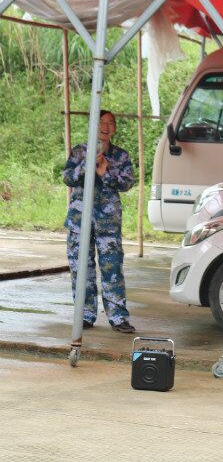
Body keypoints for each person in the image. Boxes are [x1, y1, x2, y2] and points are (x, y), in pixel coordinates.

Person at [62, 110, 136, 333]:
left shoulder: (121, 155)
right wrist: (87, 165)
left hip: (108, 223)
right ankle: (84, 315)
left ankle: (118, 317)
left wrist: (106, 173)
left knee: (112, 269)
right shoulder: (79, 151)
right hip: (80, 222)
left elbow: (127, 183)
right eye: (101, 122)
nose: (105, 126)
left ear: (114, 128)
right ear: (93, 125)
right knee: (81, 269)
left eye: (110, 123)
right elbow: (67, 177)